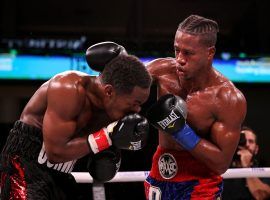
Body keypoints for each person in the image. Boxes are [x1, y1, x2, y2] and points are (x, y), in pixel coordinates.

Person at [0, 42, 152, 199]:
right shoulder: (68, 89)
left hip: (61, 174)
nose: (137, 111)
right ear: (109, 91)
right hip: (25, 165)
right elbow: (55, 153)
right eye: (134, 103)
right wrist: (108, 137)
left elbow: (103, 171)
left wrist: (112, 150)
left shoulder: (113, 110)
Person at [144, 14, 247, 199]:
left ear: (210, 53)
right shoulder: (163, 71)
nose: (180, 59)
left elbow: (221, 164)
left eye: (188, 53)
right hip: (159, 176)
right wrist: (118, 66)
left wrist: (180, 130)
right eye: (177, 50)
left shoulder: (227, 98)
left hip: (200, 184)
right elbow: (125, 86)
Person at [223, 126, 270, 200]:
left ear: (256, 149)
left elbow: (261, 196)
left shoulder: (265, 171)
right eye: (242, 140)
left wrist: (246, 166)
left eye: (251, 141)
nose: (246, 144)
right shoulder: (223, 170)